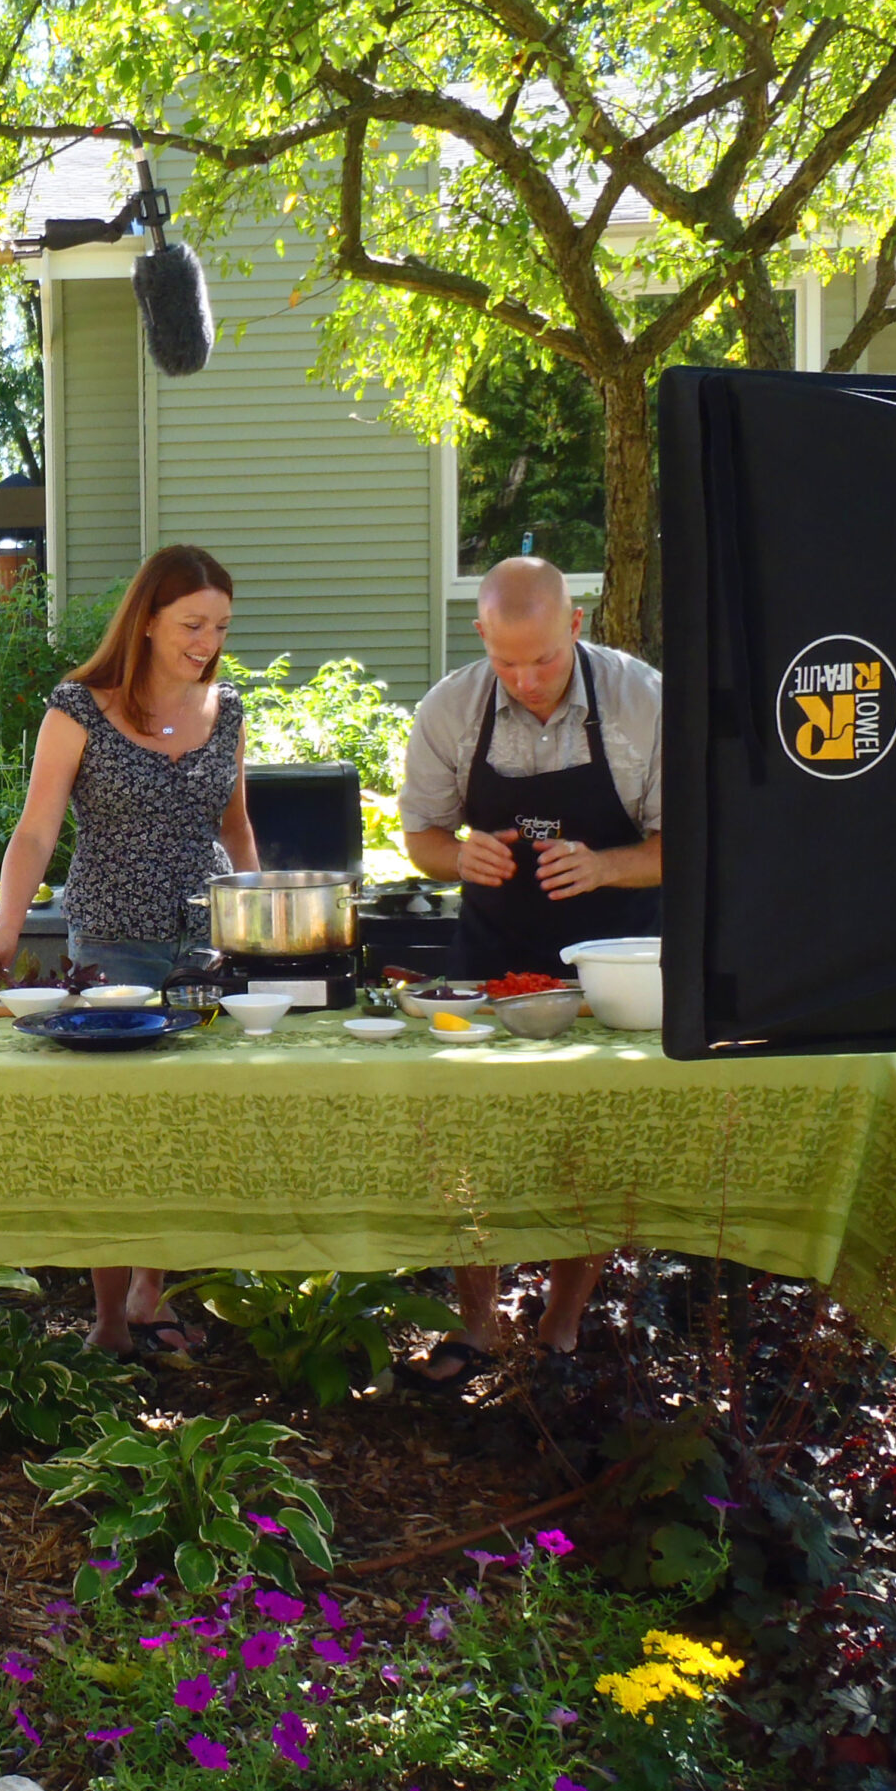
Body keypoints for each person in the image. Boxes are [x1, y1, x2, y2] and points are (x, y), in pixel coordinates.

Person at [0, 545, 258, 1354]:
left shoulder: (227, 709)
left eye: (221, 626)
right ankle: (107, 1321)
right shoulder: (78, 707)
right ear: (148, 619)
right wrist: (7, 925)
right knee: (118, 1129)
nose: (207, 640)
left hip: (206, 943)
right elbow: (36, 828)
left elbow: (235, 827)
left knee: (185, 1125)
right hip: (113, 938)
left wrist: (259, 920)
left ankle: (152, 1299)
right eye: (193, 623)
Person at [394, 555, 663, 1390]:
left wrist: (607, 868)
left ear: (575, 624)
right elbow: (422, 839)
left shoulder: (640, 701)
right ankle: (475, 1323)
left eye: (543, 658)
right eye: (507, 662)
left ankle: (560, 1324)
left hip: (613, 952)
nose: (528, 678)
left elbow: (697, 841)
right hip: (493, 947)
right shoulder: (450, 708)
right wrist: (456, 855)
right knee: (473, 1136)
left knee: (590, 1138)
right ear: (481, 636)